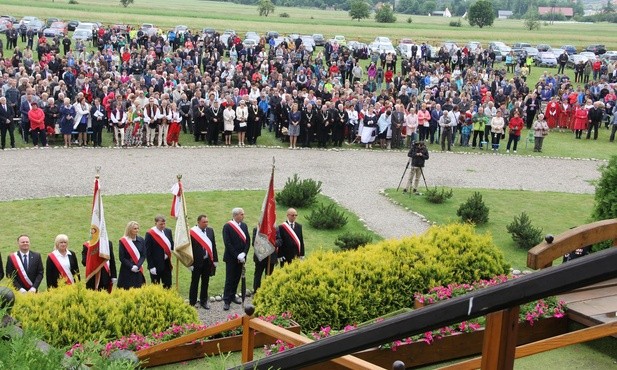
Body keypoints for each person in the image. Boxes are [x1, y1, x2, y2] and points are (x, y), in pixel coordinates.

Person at [222, 208, 250, 311]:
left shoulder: (244, 225)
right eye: (242, 214)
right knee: (229, 279)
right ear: (236, 215)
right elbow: (227, 243)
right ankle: (226, 300)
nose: (243, 216)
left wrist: (244, 253)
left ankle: (233, 295)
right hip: (231, 258)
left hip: (241, 257)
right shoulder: (227, 226)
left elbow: (247, 241)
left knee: (237, 278)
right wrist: (236, 255)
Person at [189, 214, 218, 308]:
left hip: (207, 261)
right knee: (194, 282)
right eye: (204, 222)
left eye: (207, 222)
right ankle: (192, 302)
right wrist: (190, 263)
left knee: (205, 282)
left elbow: (213, 245)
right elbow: (189, 249)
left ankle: (203, 301)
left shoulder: (210, 231)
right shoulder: (192, 232)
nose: (206, 224)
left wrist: (215, 260)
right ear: (198, 222)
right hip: (196, 262)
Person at [145, 215, 174, 289]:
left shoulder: (168, 231)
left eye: (164, 224)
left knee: (168, 285)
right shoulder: (150, 234)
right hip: (156, 264)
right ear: (156, 223)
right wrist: (151, 266)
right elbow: (148, 252)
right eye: (161, 224)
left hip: (167, 263)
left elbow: (171, 245)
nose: (163, 226)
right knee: (155, 287)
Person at [117, 221, 146, 289]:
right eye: (135, 228)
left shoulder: (141, 240)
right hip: (127, 269)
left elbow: (143, 255)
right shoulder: (123, 241)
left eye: (137, 228)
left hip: (138, 269)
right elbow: (122, 257)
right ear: (130, 229)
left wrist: (138, 266)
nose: (137, 230)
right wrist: (131, 266)